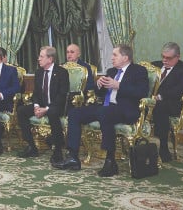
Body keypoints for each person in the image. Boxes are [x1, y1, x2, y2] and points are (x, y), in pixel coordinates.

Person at [54, 44, 149, 177]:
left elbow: (142, 92)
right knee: (74, 113)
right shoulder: (111, 71)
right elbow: (100, 93)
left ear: (126, 57)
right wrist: (99, 86)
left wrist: (119, 86)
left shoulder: (139, 71)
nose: (111, 58)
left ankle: (110, 160)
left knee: (105, 113)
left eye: (115, 55)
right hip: (106, 107)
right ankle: (72, 157)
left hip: (125, 109)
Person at [16, 46, 69, 164]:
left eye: (41, 56)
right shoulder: (39, 72)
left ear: (50, 59)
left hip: (56, 106)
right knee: (21, 110)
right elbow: (36, 94)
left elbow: (62, 96)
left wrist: (46, 109)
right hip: (42, 105)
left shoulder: (62, 73)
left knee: (52, 112)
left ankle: (58, 150)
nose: (38, 59)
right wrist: (36, 106)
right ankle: (31, 146)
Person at [151, 42, 183, 162]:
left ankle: (163, 146)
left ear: (177, 57)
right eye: (163, 56)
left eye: (168, 58)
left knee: (160, 107)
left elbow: (181, 90)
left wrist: (160, 96)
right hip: (154, 101)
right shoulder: (155, 65)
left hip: (175, 103)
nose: (164, 60)